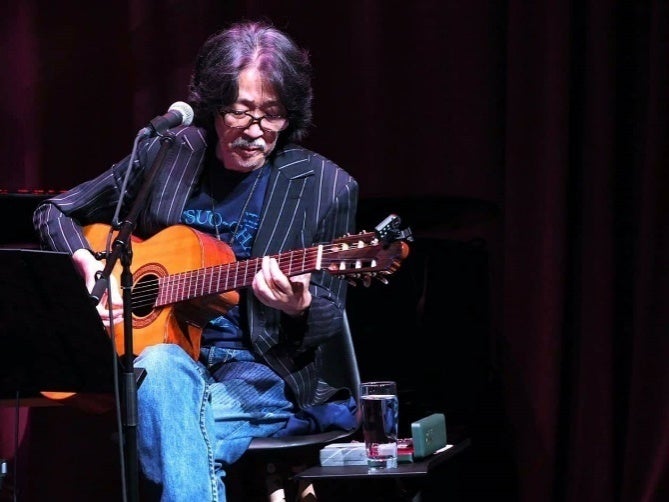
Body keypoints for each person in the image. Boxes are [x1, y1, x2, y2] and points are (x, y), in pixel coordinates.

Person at [33, 20, 359, 501]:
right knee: (162, 369)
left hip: (261, 372)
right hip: (165, 359)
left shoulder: (324, 186)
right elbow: (55, 211)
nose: (255, 130)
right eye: (240, 111)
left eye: (272, 115)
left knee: (168, 423)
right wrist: (86, 261)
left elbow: (330, 314)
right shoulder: (171, 152)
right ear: (212, 105)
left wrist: (300, 305)